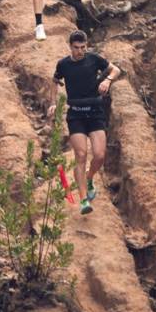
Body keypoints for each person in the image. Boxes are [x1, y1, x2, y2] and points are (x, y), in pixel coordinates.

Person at [48, 29, 121, 215]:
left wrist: (108, 81)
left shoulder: (94, 59)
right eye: (76, 48)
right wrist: (53, 103)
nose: (80, 51)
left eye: (83, 47)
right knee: (80, 155)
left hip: (95, 113)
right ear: (70, 47)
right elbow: (54, 81)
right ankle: (83, 200)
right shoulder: (63, 64)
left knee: (99, 155)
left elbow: (116, 69)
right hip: (76, 116)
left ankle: (89, 178)